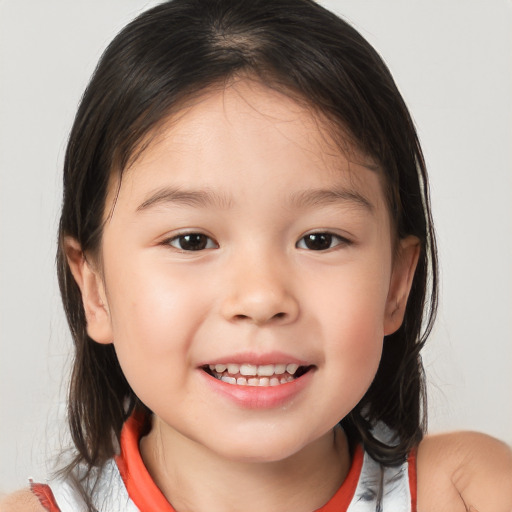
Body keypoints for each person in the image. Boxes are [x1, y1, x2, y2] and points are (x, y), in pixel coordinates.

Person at [1, 0, 511, 511]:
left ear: (397, 284)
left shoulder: (466, 493)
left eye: (320, 240)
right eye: (191, 241)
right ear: (94, 289)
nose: (262, 298)